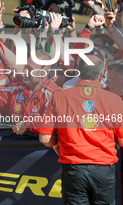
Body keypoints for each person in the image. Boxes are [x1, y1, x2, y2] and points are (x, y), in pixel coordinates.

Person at [38, 54, 123, 204]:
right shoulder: (115, 100)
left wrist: (57, 143)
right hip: (104, 168)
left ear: (78, 71)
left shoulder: (59, 97)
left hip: (74, 167)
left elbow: (44, 138)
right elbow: (122, 141)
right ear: (102, 73)